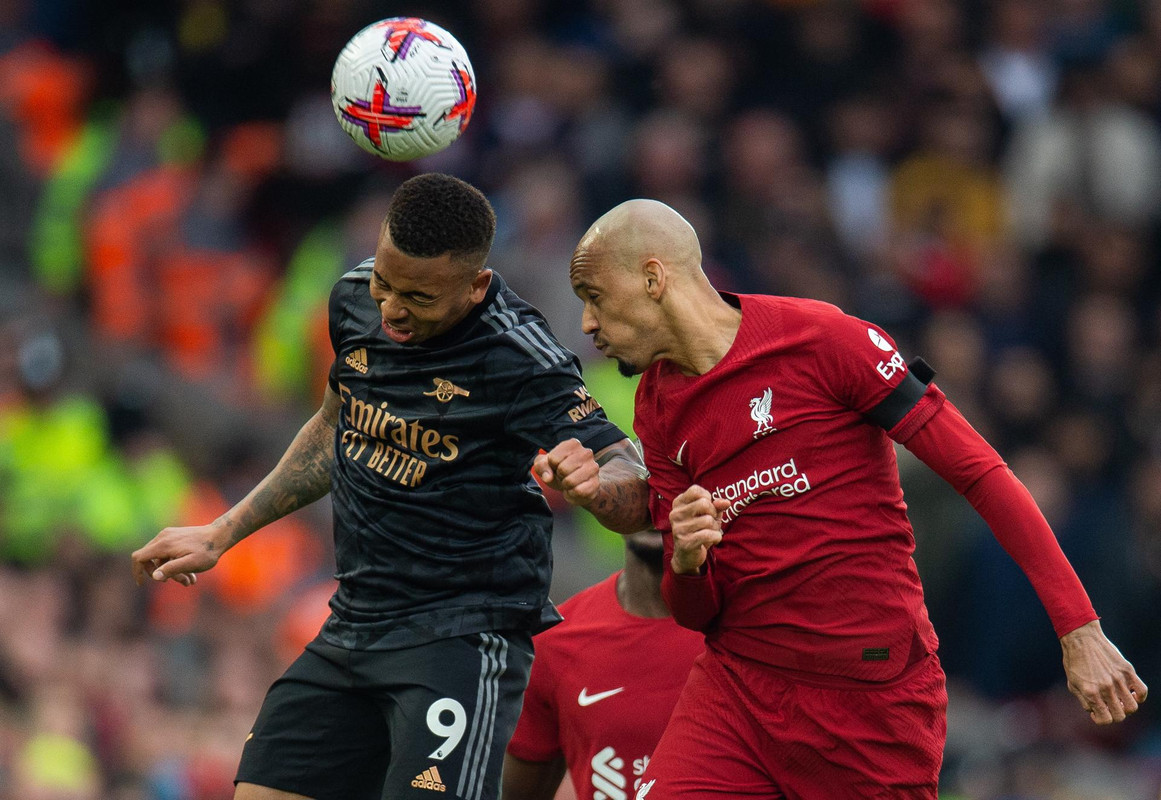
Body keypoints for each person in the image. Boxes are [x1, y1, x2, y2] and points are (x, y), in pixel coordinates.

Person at [538, 198, 1148, 799]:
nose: (587, 324)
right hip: (737, 690)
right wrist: (688, 561)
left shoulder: (824, 341)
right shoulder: (658, 402)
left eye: (594, 296)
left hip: (868, 697)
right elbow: (693, 611)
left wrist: (1080, 629)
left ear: (652, 277)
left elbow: (981, 473)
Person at [130, 174, 648, 800]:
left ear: (475, 286)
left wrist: (597, 488)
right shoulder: (352, 299)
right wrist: (222, 532)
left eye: (420, 298)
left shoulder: (520, 358)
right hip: (352, 623)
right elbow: (332, 427)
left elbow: (630, 469)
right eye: (385, 283)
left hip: (458, 641)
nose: (393, 312)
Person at [502, 525, 703, 800]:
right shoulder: (556, 641)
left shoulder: (751, 633)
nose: (651, 497)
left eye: (673, 481)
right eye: (638, 480)